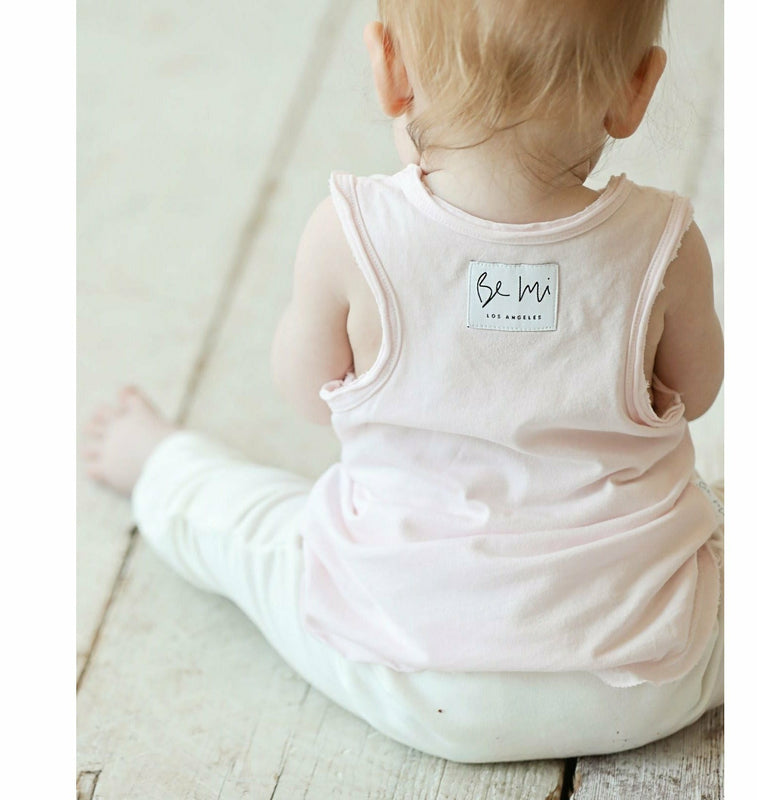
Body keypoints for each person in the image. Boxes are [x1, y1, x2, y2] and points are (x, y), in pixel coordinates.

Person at [83, 0, 724, 763]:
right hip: (647, 672)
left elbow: (306, 391)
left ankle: (154, 463)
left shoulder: (348, 235)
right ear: (638, 86)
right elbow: (698, 387)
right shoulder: (664, 245)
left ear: (389, 68)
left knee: (256, 534)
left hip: (401, 663)